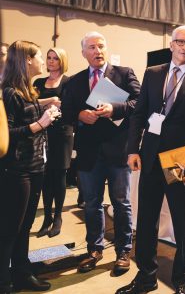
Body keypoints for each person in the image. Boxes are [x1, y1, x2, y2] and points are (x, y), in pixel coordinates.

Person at [115, 25, 185, 294]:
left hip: (180, 159)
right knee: (147, 220)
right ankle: (146, 277)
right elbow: (138, 115)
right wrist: (132, 150)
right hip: (149, 154)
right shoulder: (153, 73)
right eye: (181, 42)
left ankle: (182, 278)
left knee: (182, 221)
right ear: (171, 44)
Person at [61, 31, 140, 275]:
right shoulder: (74, 81)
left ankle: (123, 251)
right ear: (84, 53)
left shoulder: (124, 74)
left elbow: (139, 103)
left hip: (118, 152)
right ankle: (94, 249)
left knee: (121, 203)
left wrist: (115, 108)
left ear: (107, 48)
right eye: (92, 47)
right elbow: (65, 111)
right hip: (88, 154)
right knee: (93, 204)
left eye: (101, 46)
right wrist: (78, 116)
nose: (98, 51)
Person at [0, 41, 62, 293]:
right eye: (39, 56)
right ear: (27, 59)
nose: (43, 62)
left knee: (25, 225)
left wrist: (46, 108)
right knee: (10, 228)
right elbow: (7, 132)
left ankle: (22, 273)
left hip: (36, 165)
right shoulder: (9, 92)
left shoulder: (28, 90)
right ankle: (4, 281)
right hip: (17, 169)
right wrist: (40, 123)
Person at [33, 48, 74, 238]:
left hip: (62, 134)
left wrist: (54, 104)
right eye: (48, 58)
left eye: (55, 58)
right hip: (42, 132)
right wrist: (50, 101)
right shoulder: (39, 82)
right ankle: (47, 216)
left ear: (62, 61)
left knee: (59, 175)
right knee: (44, 176)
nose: (50, 61)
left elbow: (70, 107)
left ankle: (58, 217)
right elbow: (32, 104)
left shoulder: (69, 82)